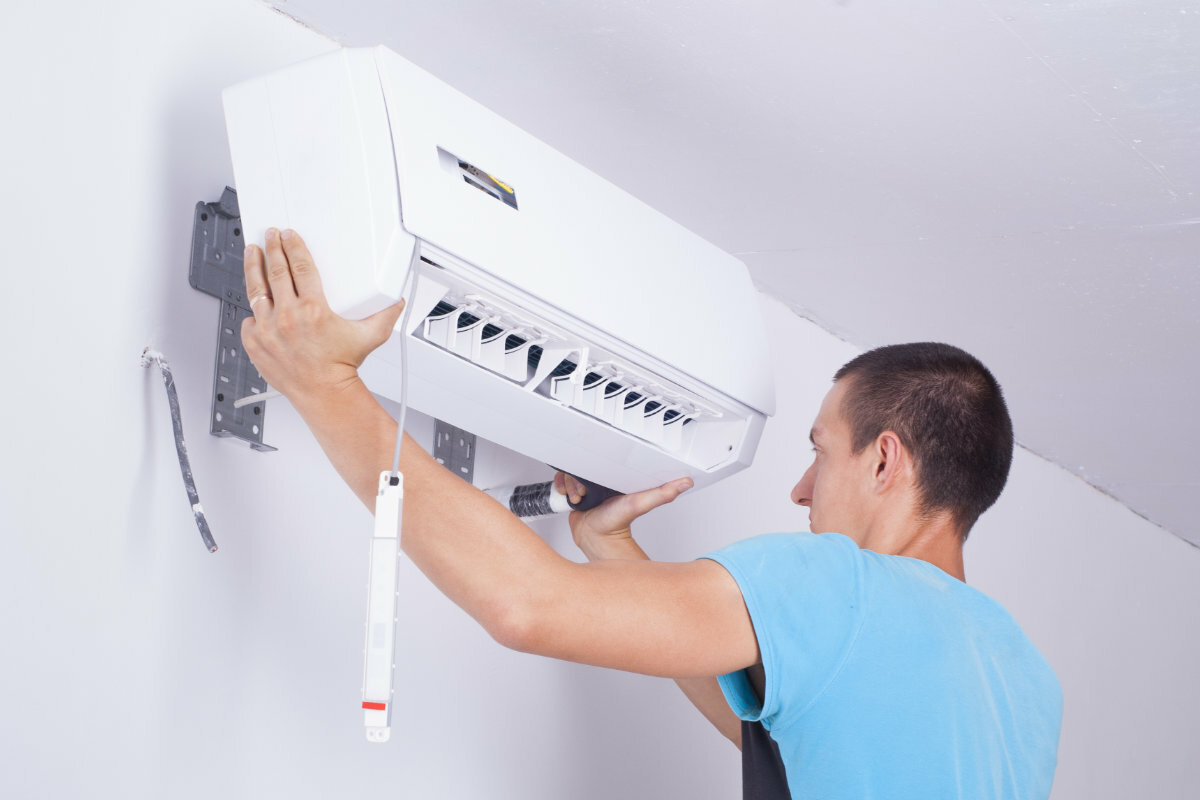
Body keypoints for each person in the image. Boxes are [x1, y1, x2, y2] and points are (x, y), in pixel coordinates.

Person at [241, 228, 1062, 799]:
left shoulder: (842, 583)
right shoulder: (1024, 681)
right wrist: (614, 551)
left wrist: (327, 388)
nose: (802, 490)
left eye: (820, 451)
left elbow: (526, 606)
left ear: (884, 461)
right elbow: (800, 739)